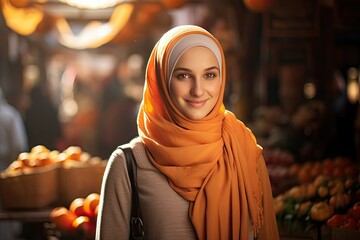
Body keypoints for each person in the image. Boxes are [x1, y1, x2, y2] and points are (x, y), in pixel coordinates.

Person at [96, 25, 279, 240]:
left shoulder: (244, 151)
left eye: (210, 75)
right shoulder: (129, 164)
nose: (198, 90)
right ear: (162, 81)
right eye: (183, 76)